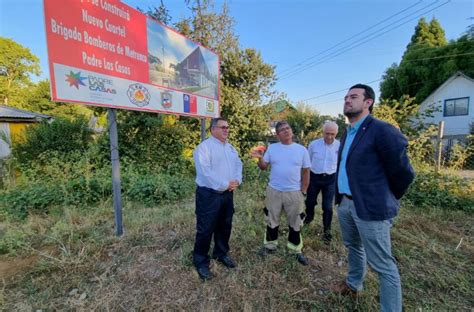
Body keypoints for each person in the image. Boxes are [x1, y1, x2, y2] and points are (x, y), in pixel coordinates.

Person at [331, 84, 415, 312]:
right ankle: (353, 284)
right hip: (346, 204)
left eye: (354, 97)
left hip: (370, 207)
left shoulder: (382, 130)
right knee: (353, 246)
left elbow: (404, 173)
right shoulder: (347, 132)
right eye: (346, 96)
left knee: (383, 265)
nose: (347, 100)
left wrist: (387, 197)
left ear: (368, 102)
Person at [251, 121, 311, 265]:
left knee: (296, 222)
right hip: (274, 191)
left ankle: (295, 250)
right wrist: (259, 158)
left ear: (291, 131)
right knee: (271, 219)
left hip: (294, 192)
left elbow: (306, 171)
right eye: (282, 130)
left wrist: (303, 190)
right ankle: (270, 246)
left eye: (288, 128)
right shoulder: (272, 148)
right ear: (277, 135)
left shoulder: (301, 150)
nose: (286, 131)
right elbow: (264, 167)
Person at [192, 117, 243, 281]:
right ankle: (200, 261)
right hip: (209, 195)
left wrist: (237, 181)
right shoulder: (204, 148)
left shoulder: (230, 148)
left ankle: (221, 253)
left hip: (227, 194)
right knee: (206, 228)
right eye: (223, 127)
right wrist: (225, 184)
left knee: (225, 225)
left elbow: (238, 165)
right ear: (213, 129)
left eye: (227, 127)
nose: (226, 129)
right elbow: (205, 173)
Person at [305, 121, 340, 244]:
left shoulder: (339, 146)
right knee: (310, 202)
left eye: (332, 134)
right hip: (314, 177)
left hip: (330, 179)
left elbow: (341, 164)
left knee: (327, 206)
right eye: (327, 133)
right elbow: (307, 163)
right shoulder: (314, 145)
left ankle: (327, 231)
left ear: (336, 133)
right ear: (322, 132)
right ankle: (309, 218)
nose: (329, 136)